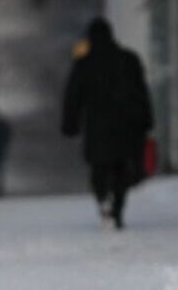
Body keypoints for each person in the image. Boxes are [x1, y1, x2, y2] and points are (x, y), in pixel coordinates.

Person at [60, 18, 153, 230]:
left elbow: (73, 96)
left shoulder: (85, 64)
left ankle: (103, 199)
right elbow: (141, 93)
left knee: (98, 168)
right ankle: (117, 208)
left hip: (96, 127)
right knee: (121, 168)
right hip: (124, 127)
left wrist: (70, 123)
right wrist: (146, 120)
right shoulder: (128, 60)